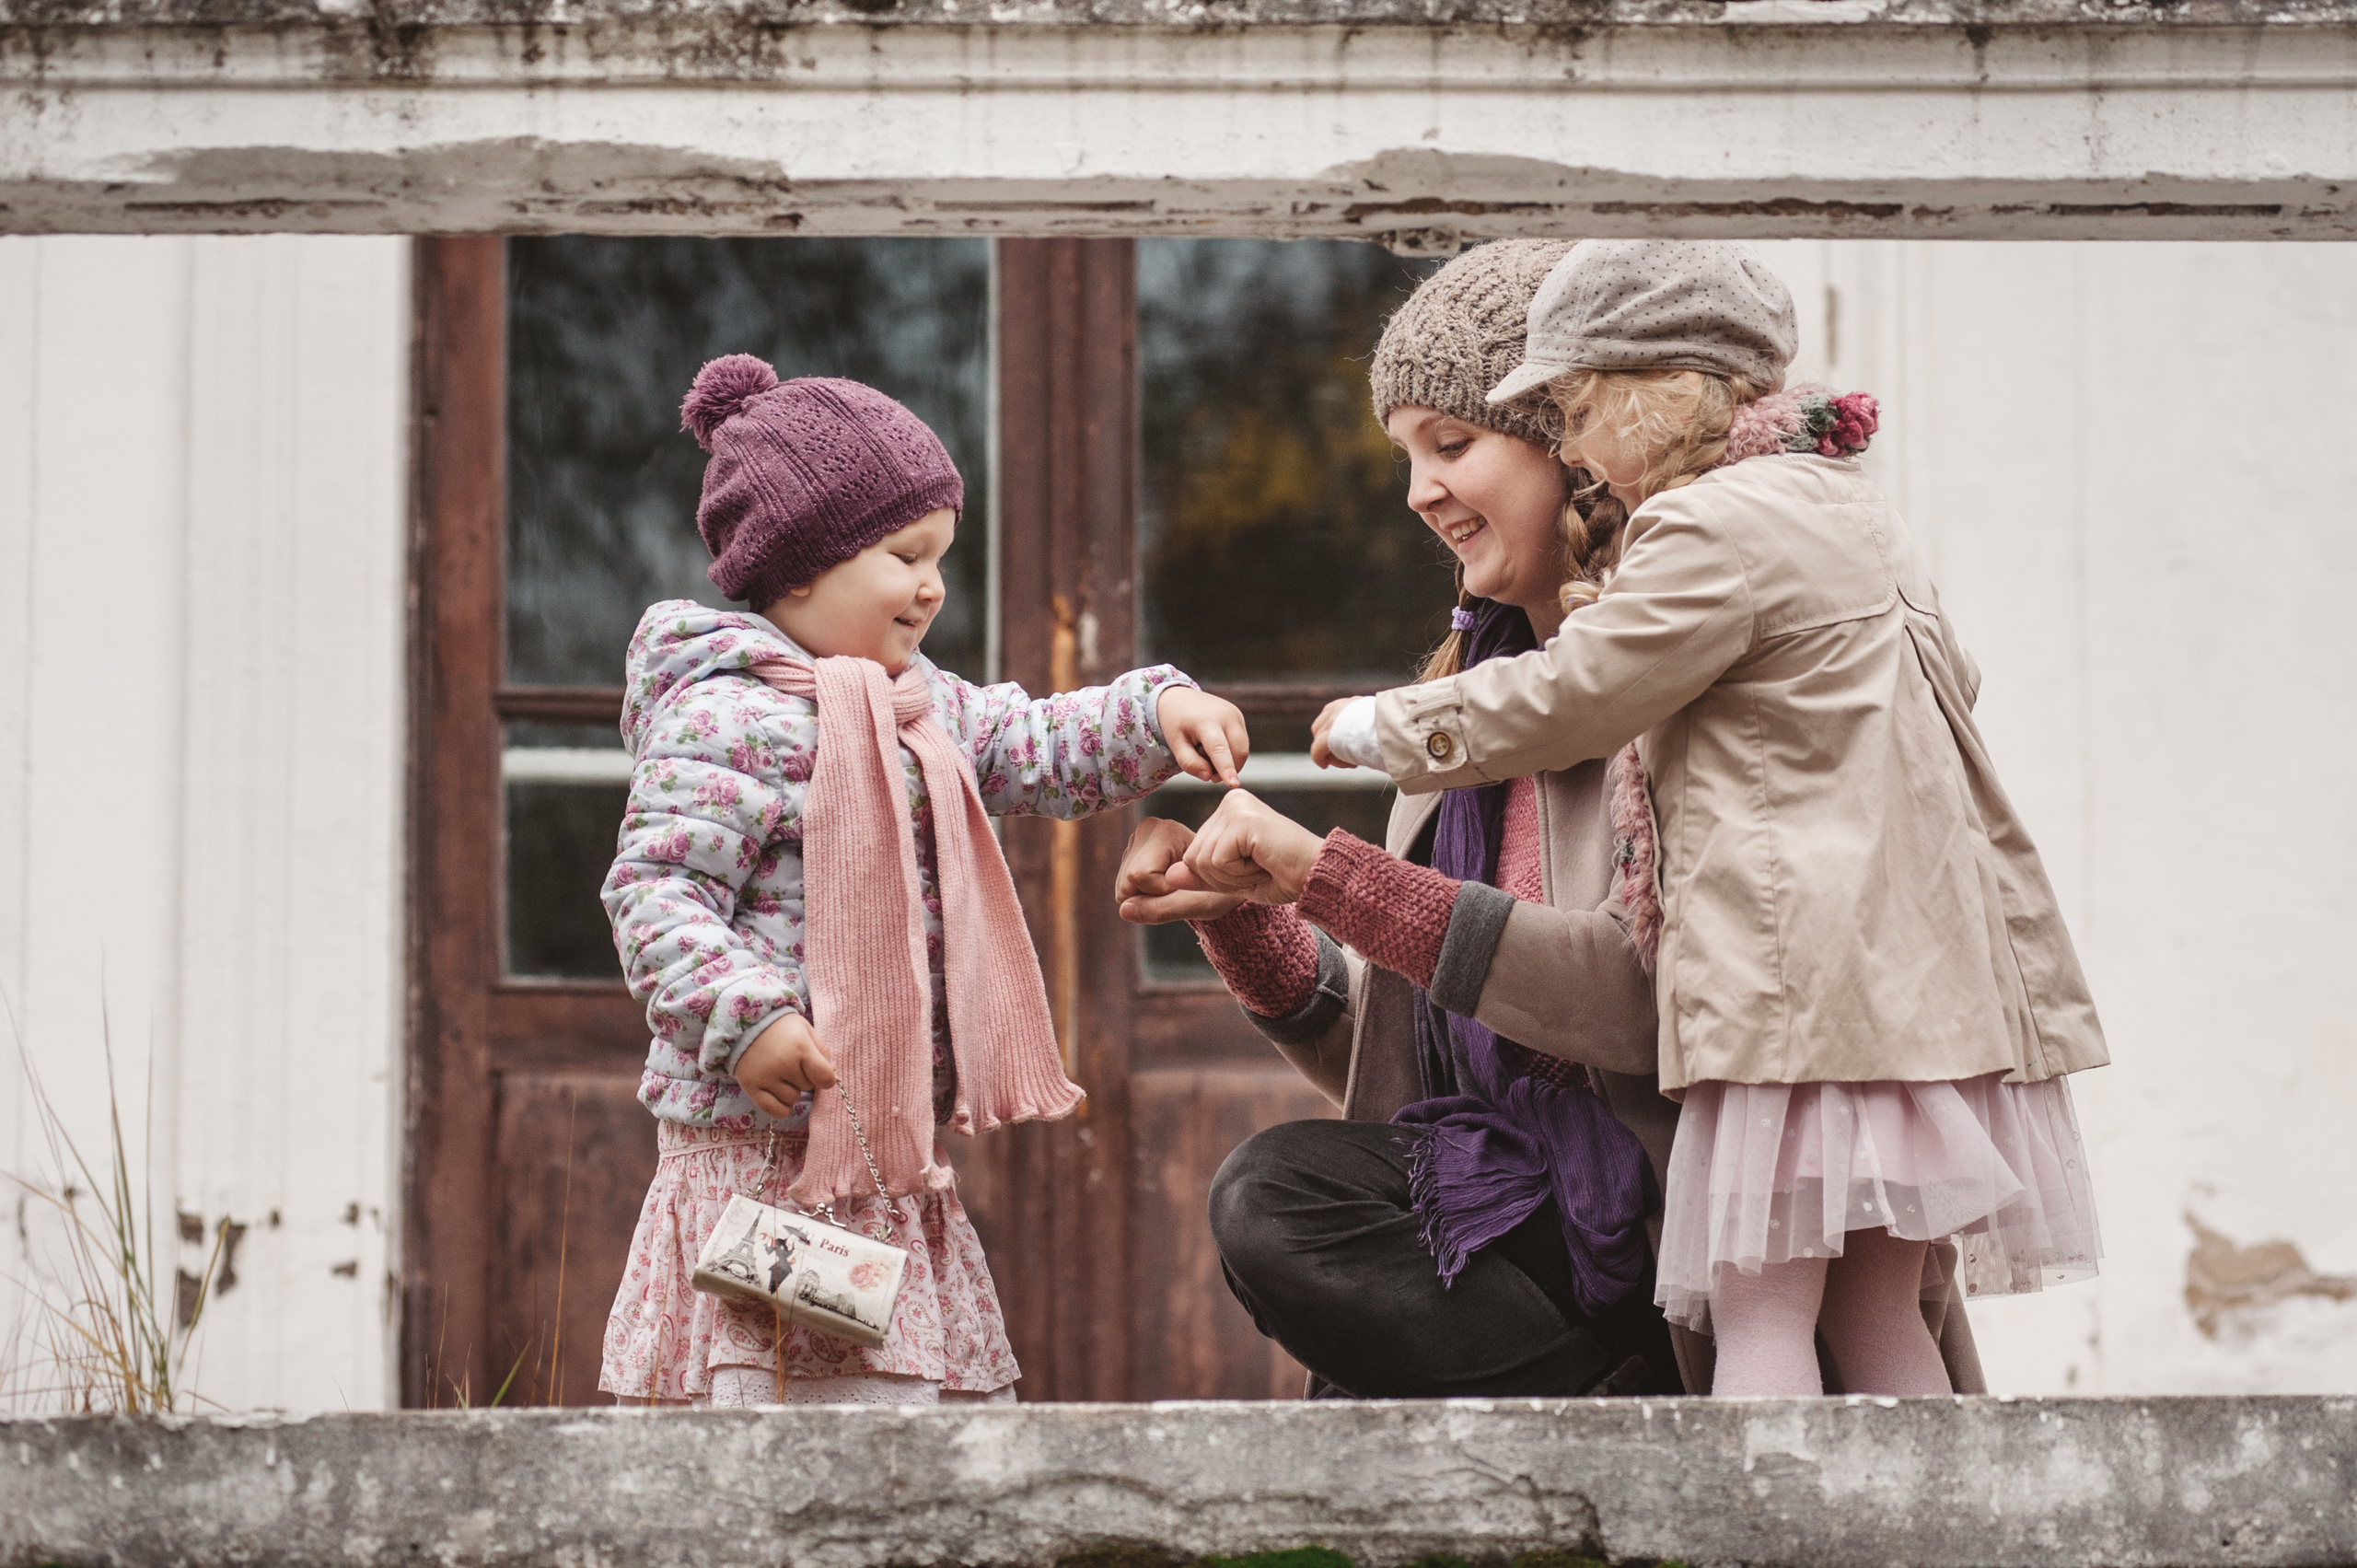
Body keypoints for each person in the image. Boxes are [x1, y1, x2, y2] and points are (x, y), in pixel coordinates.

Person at [1122, 240, 1980, 1399]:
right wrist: (1247, 914)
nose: (1419, 490)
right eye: (1405, 455)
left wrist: (1329, 873)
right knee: (1288, 1196)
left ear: (1572, 443)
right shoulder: (1468, 706)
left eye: (1453, 443)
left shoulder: (1666, 681)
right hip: (1532, 1222)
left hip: (1678, 1221)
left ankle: (1619, 1426)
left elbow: (1644, 1001)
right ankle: (1596, 1410)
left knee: (1293, 1209)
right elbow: (1405, 1063)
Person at [598, 356, 1248, 1408]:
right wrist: (746, 1016)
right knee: (780, 1403)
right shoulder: (728, 718)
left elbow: (1032, 740)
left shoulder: (917, 703)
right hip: (764, 1143)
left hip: (882, 1140)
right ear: (800, 564)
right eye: (906, 555)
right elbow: (656, 892)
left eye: (940, 555)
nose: (933, 585)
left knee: (896, 1408)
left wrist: (1149, 716)